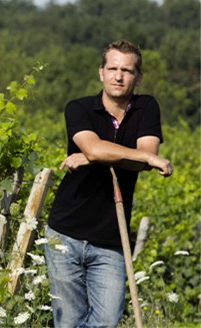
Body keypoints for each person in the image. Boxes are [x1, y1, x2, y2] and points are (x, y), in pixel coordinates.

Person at [44, 39, 173, 327]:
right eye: (112, 68)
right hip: (66, 232)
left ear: (138, 77)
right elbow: (109, 151)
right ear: (100, 72)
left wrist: (93, 157)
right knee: (68, 321)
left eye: (127, 70)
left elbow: (146, 159)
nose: (118, 76)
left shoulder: (146, 107)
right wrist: (98, 153)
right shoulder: (78, 108)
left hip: (111, 237)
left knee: (106, 320)